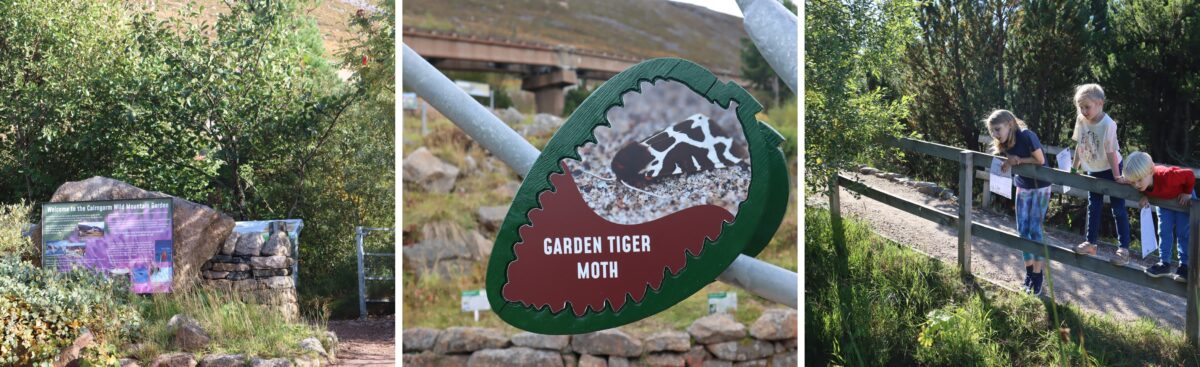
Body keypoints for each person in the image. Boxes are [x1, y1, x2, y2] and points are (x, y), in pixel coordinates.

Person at [986, 110, 1052, 294]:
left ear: (1010, 124)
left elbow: (1040, 160)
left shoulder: (1027, 136)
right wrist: (1008, 161)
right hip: (1022, 186)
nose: (995, 134)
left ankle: (1038, 277)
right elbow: (1009, 160)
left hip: (1040, 187)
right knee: (1022, 230)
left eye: (998, 129)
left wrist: (1018, 160)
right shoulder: (1003, 143)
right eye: (992, 131)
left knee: (1035, 230)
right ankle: (1029, 273)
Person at [1071, 84, 1133, 266]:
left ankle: (1124, 249)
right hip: (1093, 168)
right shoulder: (1081, 120)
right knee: (1093, 206)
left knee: (1118, 209)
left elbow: (1112, 151)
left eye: (1086, 107)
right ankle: (1091, 243)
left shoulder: (1108, 124)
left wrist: (1117, 176)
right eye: (1080, 107)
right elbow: (1079, 145)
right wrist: (1075, 167)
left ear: (1100, 103)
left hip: (1111, 168)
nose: (1083, 110)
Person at [1119, 152, 1197, 281]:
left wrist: (1187, 193)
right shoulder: (1140, 180)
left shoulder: (1167, 176)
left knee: (1183, 232)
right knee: (1164, 231)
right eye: (1133, 182)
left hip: (1182, 200)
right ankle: (1164, 263)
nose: (1137, 185)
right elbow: (1137, 183)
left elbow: (1189, 175)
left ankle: (1185, 266)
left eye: (1139, 180)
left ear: (1150, 171)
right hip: (1164, 201)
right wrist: (1144, 195)